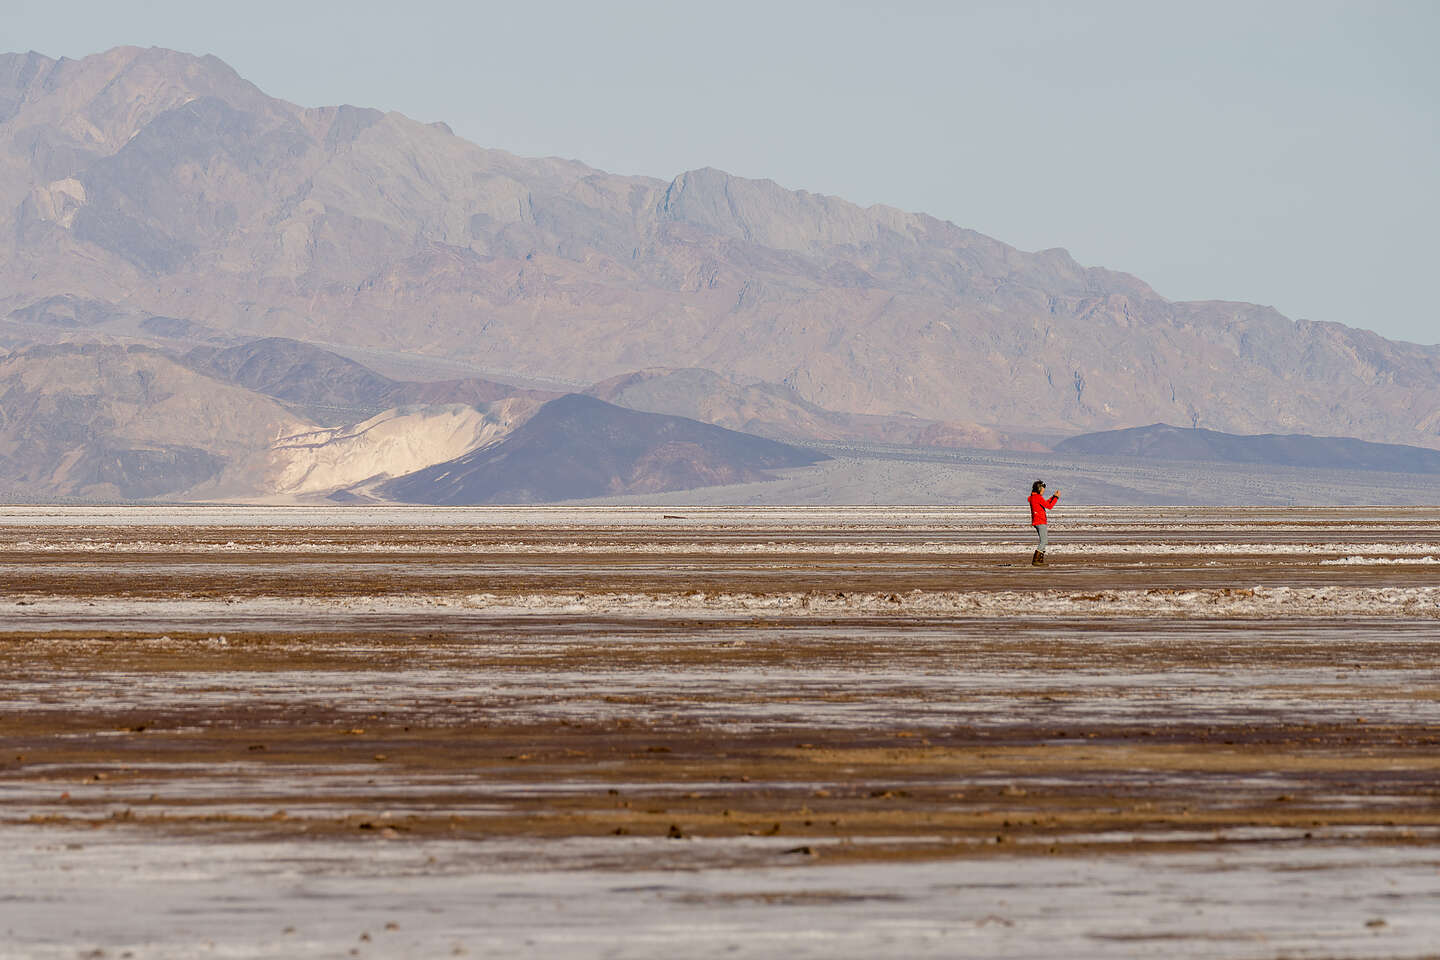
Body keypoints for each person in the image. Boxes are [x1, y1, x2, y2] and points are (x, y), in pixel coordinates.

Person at [1027, 480, 1059, 565]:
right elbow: (1049, 506)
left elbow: (1045, 503)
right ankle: (1036, 560)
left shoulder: (1035, 497)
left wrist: (1053, 497)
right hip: (1040, 521)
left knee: (1044, 540)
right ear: (1039, 489)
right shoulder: (1037, 497)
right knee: (1044, 541)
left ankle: (1040, 560)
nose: (1043, 491)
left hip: (1038, 521)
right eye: (1043, 489)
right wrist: (1056, 498)